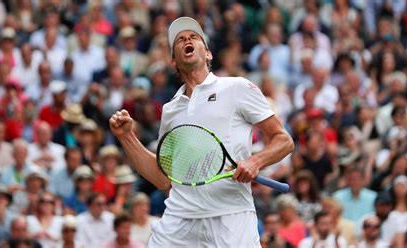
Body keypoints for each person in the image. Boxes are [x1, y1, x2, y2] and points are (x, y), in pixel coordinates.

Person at [109, 16, 294, 247]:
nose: (187, 39)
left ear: (208, 54)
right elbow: (161, 178)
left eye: (194, 37)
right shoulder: (170, 109)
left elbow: (284, 140)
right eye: (180, 40)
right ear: (174, 62)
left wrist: (256, 161)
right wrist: (126, 137)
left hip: (231, 213)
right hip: (180, 218)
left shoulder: (237, 87)